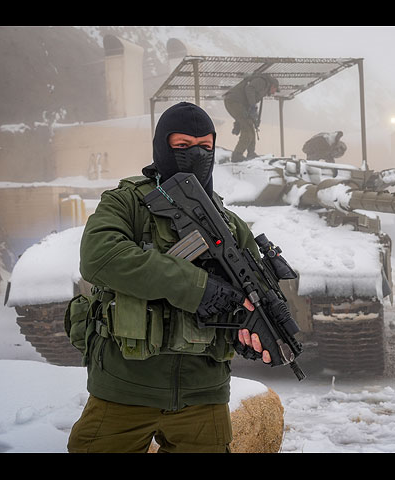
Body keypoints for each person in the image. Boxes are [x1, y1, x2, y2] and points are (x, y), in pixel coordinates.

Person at [67, 102, 270, 453]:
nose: (197, 155)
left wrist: (249, 330)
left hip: (203, 395)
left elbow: (256, 294)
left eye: (206, 148)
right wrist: (198, 289)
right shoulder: (128, 202)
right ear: (162, 146)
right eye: (182, 147)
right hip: (123, 389)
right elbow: (101, 257)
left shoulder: (231, 225)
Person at [224, 73, 279, 162]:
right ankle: (237, 155)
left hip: (236, 103)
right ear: (273, 85)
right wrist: (253, 106)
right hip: (234, 102)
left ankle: (251, 153)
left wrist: (240, 122)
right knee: (247, 129)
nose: (274, 92)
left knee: (250, 127)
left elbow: (246, 100)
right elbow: (249, 89)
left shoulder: (263, 86)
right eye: (275, 90)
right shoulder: (262, 82)